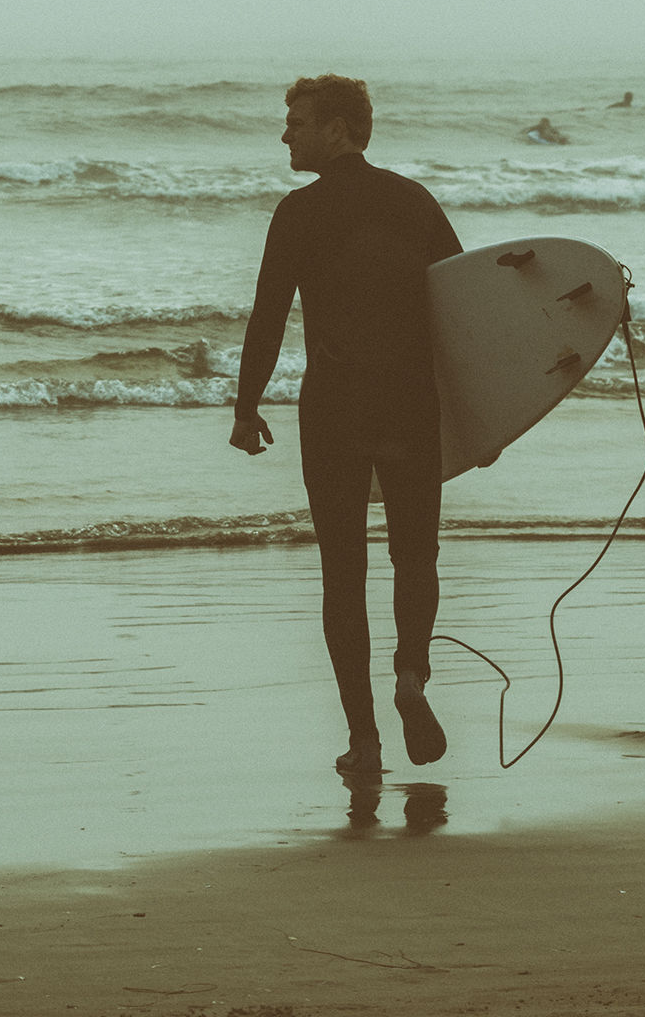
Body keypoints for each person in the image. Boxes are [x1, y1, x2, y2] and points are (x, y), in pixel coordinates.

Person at [231, 75, 463, 776]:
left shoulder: (299, 212)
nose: (285, 134)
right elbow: (462, 309)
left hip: (335, 406)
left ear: (336, 129)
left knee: (344, 572)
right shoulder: (413, 201)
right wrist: (481, 419)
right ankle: (412, 675)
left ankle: (364, 741)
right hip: (410, 404)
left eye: (297, 123)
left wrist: (246, 407)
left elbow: (269, 313)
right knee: (416, 555)